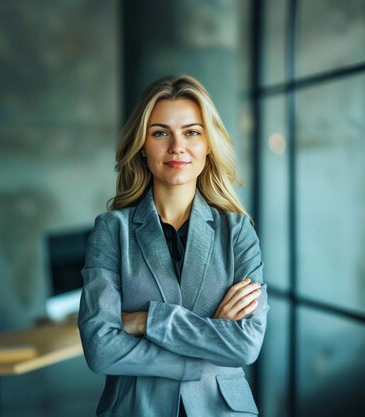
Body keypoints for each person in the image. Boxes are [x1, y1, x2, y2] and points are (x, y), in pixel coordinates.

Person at [78, 74, 269, 417]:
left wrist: (147, 320)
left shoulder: (238, 232)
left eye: (192, 132)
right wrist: (211, 333)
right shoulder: (111, 231)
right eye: (160, 133)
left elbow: (244, 345)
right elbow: (100, 349)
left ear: (209, 143)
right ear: (142, 145)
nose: (177, 146)